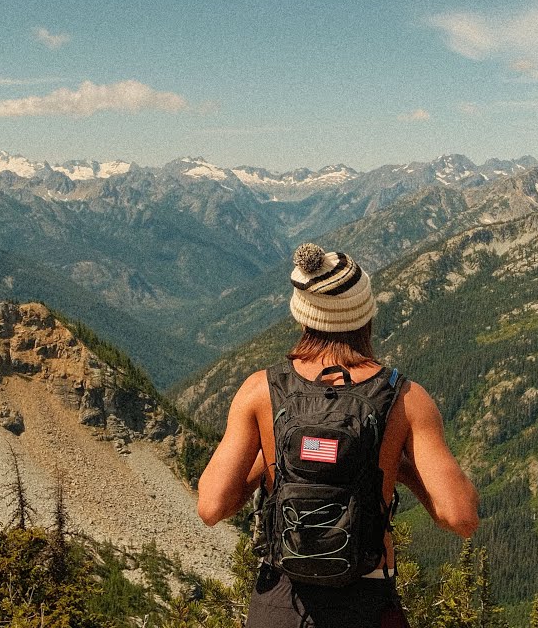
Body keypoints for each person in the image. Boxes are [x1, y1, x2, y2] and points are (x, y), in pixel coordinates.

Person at [198, 243, 480, 627]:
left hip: (280, 598)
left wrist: (275, 460)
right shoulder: (406, 399)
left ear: (301, 315)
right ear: (366, 316)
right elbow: (461, 517)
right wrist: (398, 467)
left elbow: (212, 507)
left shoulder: (259, 390)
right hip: (365, 598)